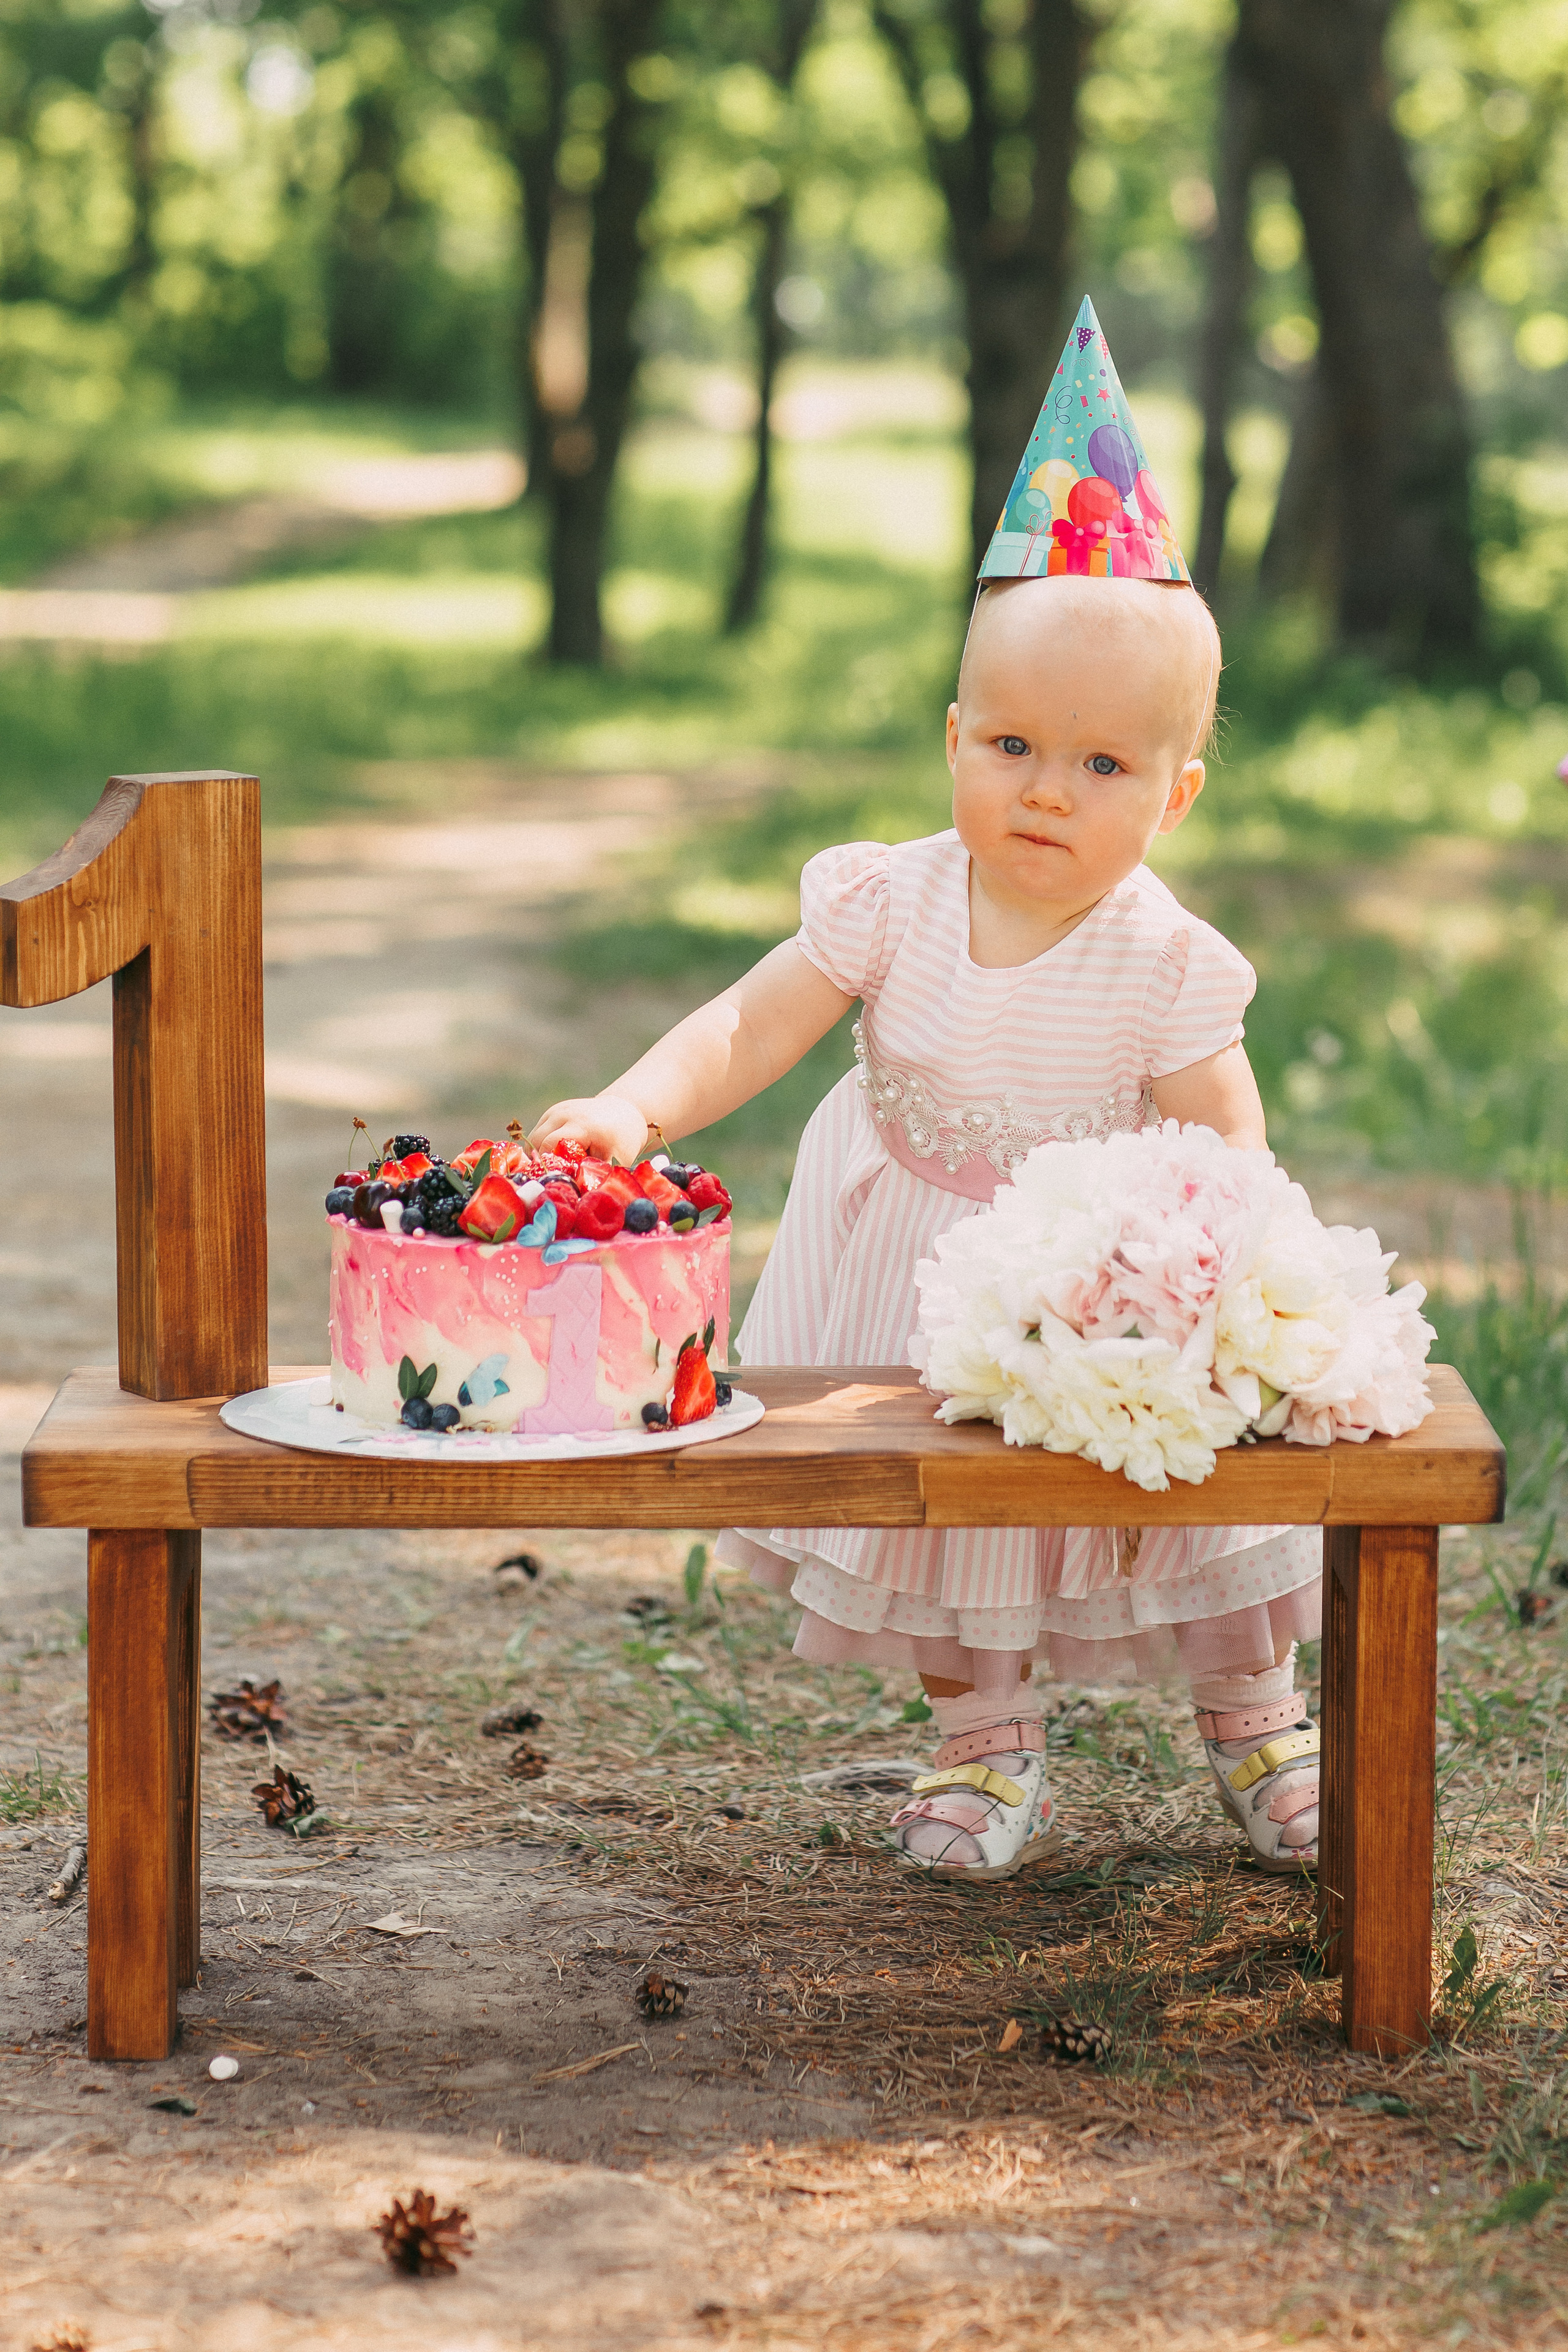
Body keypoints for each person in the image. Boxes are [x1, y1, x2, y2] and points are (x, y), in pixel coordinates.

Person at [530, 303, 1321, 1883]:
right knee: (943, 1517)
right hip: (906, 1252)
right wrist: (636, 1107)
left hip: (1092, 1281)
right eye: (1014, 743)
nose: (1047, 789)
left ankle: (1257, 1719)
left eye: (1104, 768)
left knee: (1183, 1510)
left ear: (1178, 791)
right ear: (954, 737)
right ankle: (984, 1737)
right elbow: (751, 1025)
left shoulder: (1167, 959)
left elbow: (1226, 1139)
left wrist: (1225, 1266)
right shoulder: (889, 900)